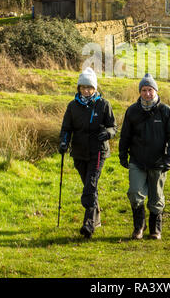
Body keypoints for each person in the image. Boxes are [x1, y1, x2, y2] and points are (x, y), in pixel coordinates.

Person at [119, 73, 170, 240]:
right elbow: (125, 135)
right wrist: (123, 154)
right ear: (140, 92)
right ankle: (139, 227)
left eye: (150, 90)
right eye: (144, 90)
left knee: (156, 197)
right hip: (137, 161)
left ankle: (155, 229)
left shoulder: (165, 111)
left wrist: (169, 157)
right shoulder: (132, 111)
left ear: (156, 91)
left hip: (159, 162)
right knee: (134, 193)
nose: (147, 93)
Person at [59, 67, 117, 239]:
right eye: (82, 87)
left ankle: (88, 225)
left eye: (89, 87)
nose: (85, 90)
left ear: (95, 88)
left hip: (98, 152)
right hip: (78, 153)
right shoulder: (73, 106)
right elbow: (66, 128)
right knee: (89, 187)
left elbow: (113, 127)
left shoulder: (103, 104)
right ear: (79, 88)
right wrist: (63, 142)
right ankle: (96, 216)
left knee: (89, 187)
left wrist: (107, 133)